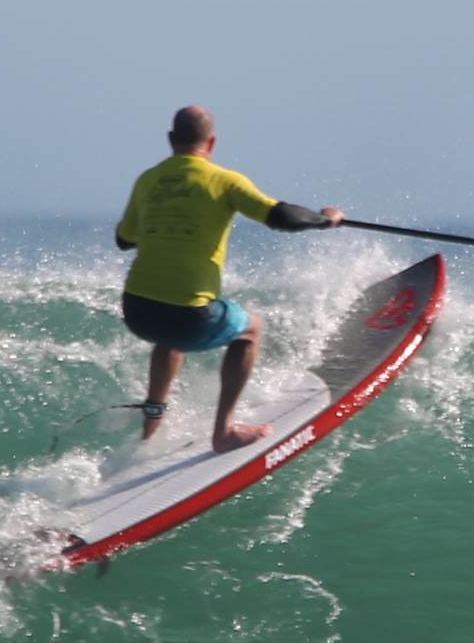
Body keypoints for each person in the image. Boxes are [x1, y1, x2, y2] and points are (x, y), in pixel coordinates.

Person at [115, 106, 341, 450]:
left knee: (168, 337)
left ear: (171, 139)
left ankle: (152, 423)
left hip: (137, 311)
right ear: (212, 142)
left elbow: (124, 239)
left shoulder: (148, 180)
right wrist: (325, 220)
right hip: (189, 317)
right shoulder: (225, 181)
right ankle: (224, 431)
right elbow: (282, 217)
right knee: (251, 330)